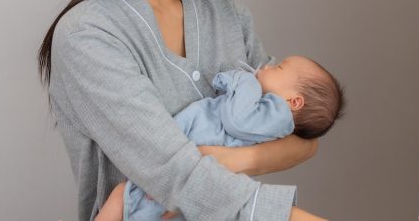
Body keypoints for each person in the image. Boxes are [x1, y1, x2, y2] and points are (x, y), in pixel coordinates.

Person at [36, 0, 326, 220]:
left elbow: (302, 134)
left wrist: (231, 159)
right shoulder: (90, 34)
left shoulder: (224, 10)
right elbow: (174, 172)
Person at [93, 56, 346, 221]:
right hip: (180, 171)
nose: (267, 66)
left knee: (123, 199)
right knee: (122, 197)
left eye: (278, 67)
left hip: (190, 173)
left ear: (294, 101)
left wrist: (241, 80)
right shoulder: (271, 112)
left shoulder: (276, 114)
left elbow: (237, 119)